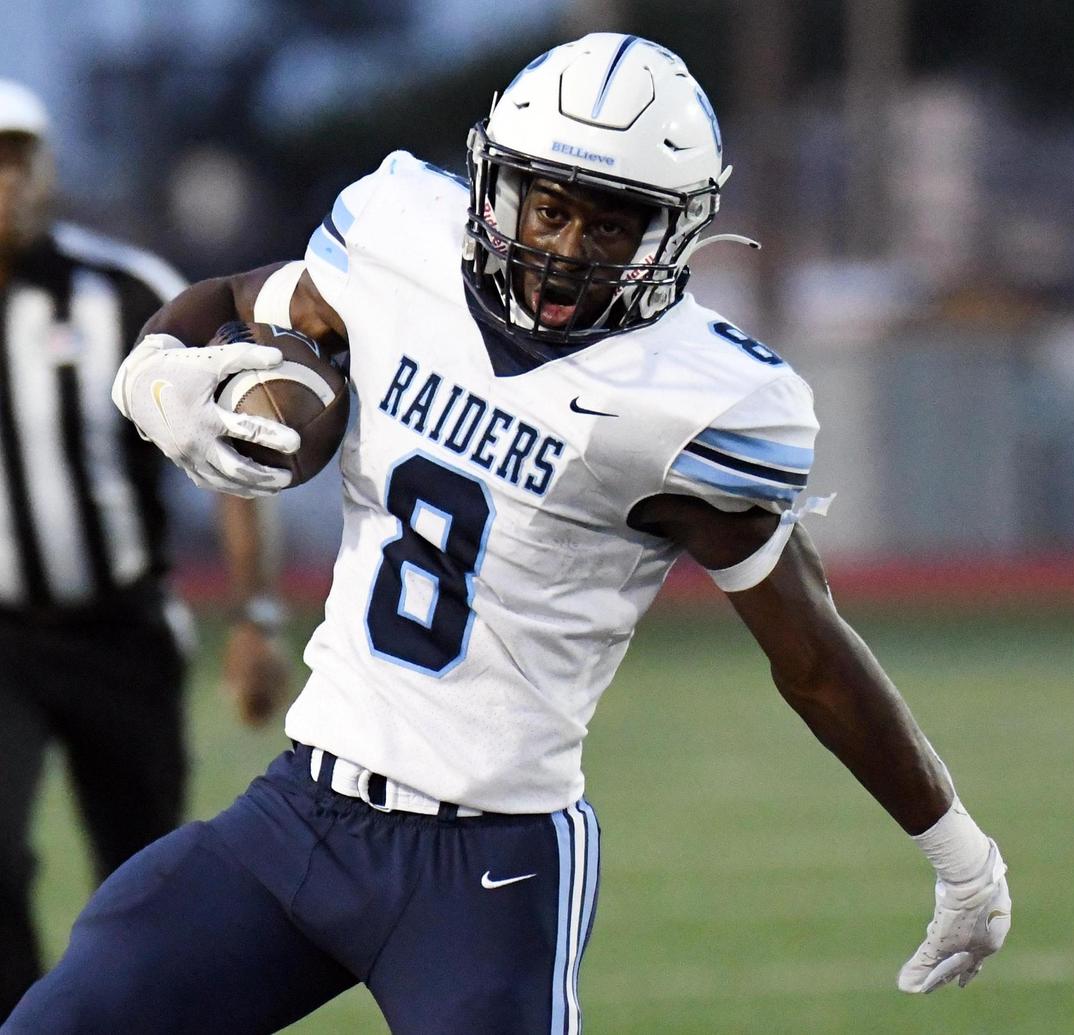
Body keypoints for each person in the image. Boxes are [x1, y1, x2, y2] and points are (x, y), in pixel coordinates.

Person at [4, 35, 1010, 1034]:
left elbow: (814, 656)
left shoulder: (695, 403)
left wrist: (957, 849)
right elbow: (235, 299)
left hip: (488, 866)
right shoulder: (400, 243)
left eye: (614, 226)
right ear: (496, 185)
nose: (569, 249)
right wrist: (155, 372)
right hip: (299, 814)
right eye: (551, 206)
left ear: (678, 234)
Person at [0, 79, 291, 1021]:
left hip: (117, 626)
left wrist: (255, 614)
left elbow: (223, 461)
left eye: (14, 158)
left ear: (42, 171)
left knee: (143, 871)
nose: (1, 182)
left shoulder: (124, 291)